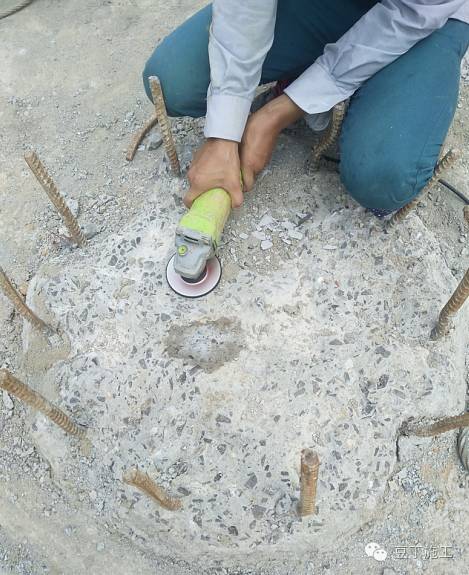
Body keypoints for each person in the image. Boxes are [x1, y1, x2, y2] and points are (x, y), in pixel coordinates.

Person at [143, 1, 469, 217]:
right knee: (175, 81)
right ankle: (316, 68)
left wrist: (278, 113)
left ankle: (378, 88)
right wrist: (224, 131)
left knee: (382, 176)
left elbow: (411, 14)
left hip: (424, 18)